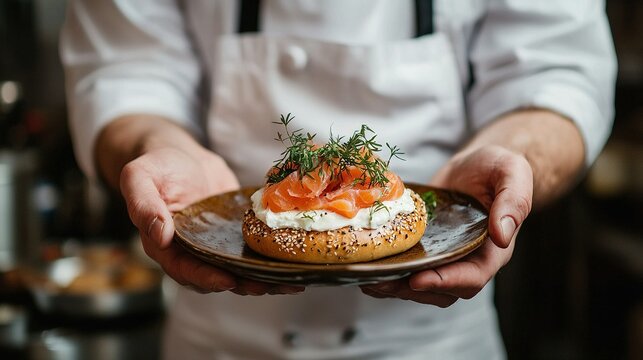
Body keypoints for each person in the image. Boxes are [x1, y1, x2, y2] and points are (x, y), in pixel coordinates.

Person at [60, 0, 616, 358]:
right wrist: (156, 147)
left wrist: (514, 157)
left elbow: (558, 71)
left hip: (435, 344)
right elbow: (124, 68)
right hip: (220, 334)